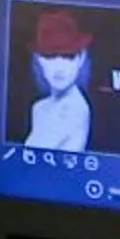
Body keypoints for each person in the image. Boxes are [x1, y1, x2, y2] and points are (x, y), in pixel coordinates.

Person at [26, 9, 92, 153]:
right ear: (38, 59)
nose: (59, 67)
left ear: (81, 59)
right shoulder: (39, 108)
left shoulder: (74, 109)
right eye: (49, 56)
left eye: (68, 56)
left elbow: (29, 157)